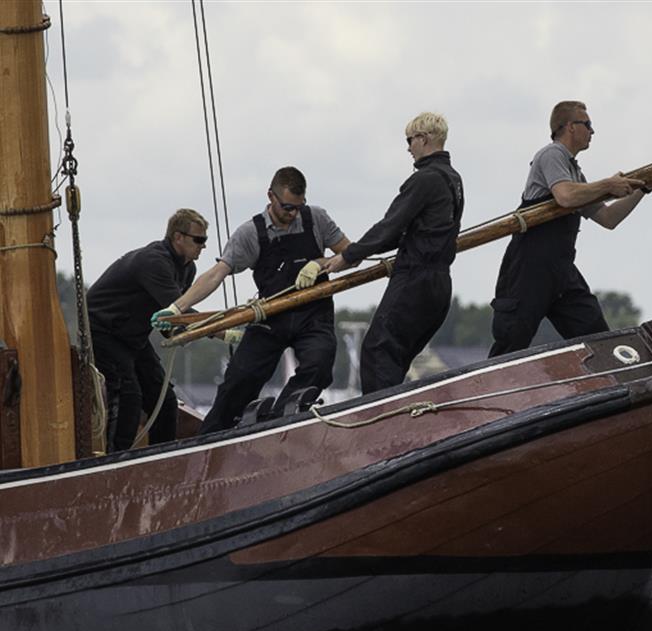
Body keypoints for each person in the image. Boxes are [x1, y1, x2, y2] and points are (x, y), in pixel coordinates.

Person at [153, 167, 351, 434]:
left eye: (298, 206)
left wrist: (321, 263)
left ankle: (281, 420)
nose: (292, 214)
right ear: (270, 196)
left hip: (313, 315)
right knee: (240, 378)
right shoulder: (249, 233)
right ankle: (208, 441)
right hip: (270, 316)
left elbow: (351, 253)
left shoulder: (317, 219)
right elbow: (216, 275)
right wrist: (178, 307)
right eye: (286, 207)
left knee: (320, 363)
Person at [489, 100, 652, 357]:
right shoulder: (552, 154)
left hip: (561, 272)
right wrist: (608, 185)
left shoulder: (574, 172)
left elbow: (607, 217)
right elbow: (566, 196)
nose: (592, 131)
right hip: (529, 270)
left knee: (599, 341)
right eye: (588, 124)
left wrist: (642, 189)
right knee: (510, 344)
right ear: (570, 127)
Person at [330, 112, 464, 394]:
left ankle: (379, 426)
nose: (408, 148)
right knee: (397, 357)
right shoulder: (454, 180)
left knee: (377, 351)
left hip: (415, 279)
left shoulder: (424, 180)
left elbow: (390, 227)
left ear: (423, 139)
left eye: (409, 140)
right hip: (440, 285)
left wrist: (348, 256)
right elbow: (410, 232)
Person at [88, 209, 209, 452]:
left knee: (164, 401)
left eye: (205, 241)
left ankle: (161, 461)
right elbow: (178, 312)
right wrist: (223, 327)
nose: (202, 247)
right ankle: (116, 462)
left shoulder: (187, 269)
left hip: (134, 336)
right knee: (128, 396)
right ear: (178, 237)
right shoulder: (154, 262)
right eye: (198, 240)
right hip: (104, 331)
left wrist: (176, 333)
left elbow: (169, 318)